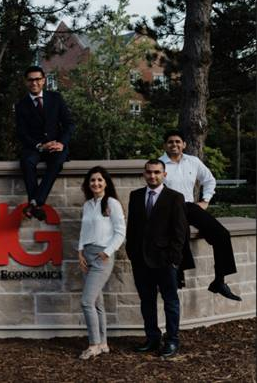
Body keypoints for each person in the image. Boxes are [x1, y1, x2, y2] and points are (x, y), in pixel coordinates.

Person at [159, 130, 241, 301]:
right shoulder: (160, 164)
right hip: (169, 209)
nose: (174, 145)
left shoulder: (193, 161)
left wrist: (205, 200)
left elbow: (210, 180)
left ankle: (219, 281)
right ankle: (177, 279)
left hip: (190, 205)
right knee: (181, 236)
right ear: (165, 145)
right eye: (170, 142)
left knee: (221, 234)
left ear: (184, 144)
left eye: (177, 141)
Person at [126, 159, 187, 358]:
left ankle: (172, 341)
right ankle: (152, 338)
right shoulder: (135, 196)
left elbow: (180, 232)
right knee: (147, 301)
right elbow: (132, 228)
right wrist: (132, 253)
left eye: (157, 172)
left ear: (164, 174)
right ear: (144, 174)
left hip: (165, 261)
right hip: (141, 260)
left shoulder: (175, 197)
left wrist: (174, 259)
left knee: (170, 301)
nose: (153, 176)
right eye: (149, 172)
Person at [77, 166, 125, 359]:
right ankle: (103, 343)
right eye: (92, 180)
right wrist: (80, 252)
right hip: (86, 255)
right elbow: (83, 230)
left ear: (105, 182)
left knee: (86, 301)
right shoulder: (88, 205)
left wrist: (107, 252)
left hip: (101, 256)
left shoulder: (112, 203)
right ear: (88, 184)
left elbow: (121, 231)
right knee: (97, 303)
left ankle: (93, 344)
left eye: (99, 180)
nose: (96, 183)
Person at [15, 66, 75, 221]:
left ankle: (34, 202)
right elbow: (21, 133)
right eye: (30, 80)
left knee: (57, 162)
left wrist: (61, 143)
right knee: (27, 162)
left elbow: (69, 124)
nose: (34, 83)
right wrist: (39, 146)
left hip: (56, 146)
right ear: (25, 82)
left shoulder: (56, 98)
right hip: (35, 147)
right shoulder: (21, 105)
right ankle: (36, 203)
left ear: (43, 80)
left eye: (37, 79)